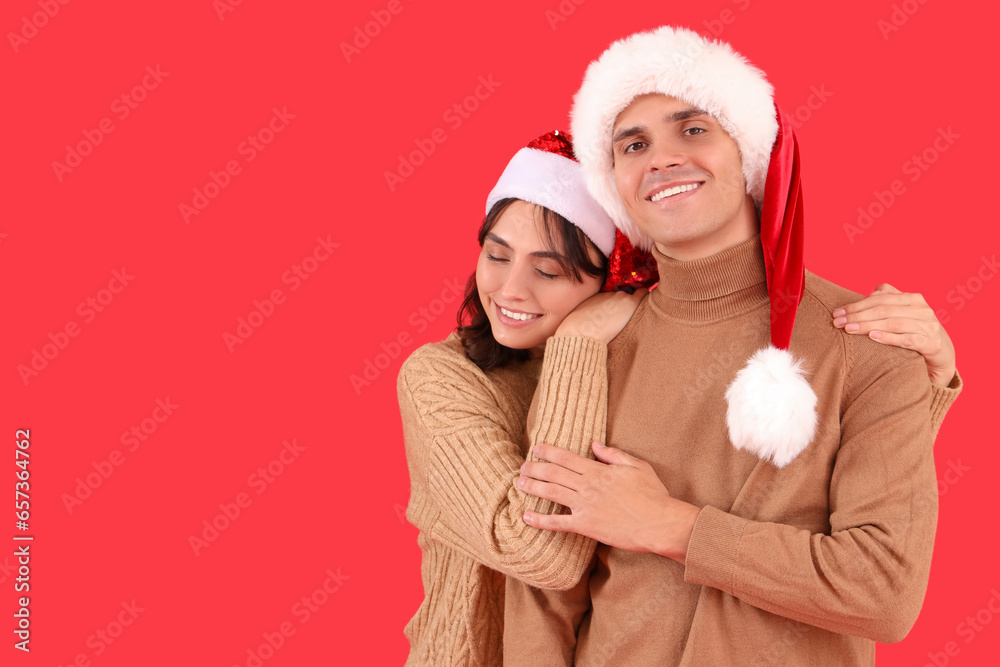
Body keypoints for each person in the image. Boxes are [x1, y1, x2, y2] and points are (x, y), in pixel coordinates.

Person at [398, 126, 959, 664]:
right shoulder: (450, 378)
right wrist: (577, 343)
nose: (512, 289)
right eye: (496, 256)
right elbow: (541, 559)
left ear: (606, 282)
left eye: (550, 270)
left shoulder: (635, 347)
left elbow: (851, 520)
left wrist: (917, 384)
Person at [504, 27, 963, 666]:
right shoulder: (593, 343)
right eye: (632, 144)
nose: (660, 158)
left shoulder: (870, 339)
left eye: (692, 129)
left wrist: (671, 527)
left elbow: (883, 591)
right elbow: (544, 592)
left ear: (749, 153)